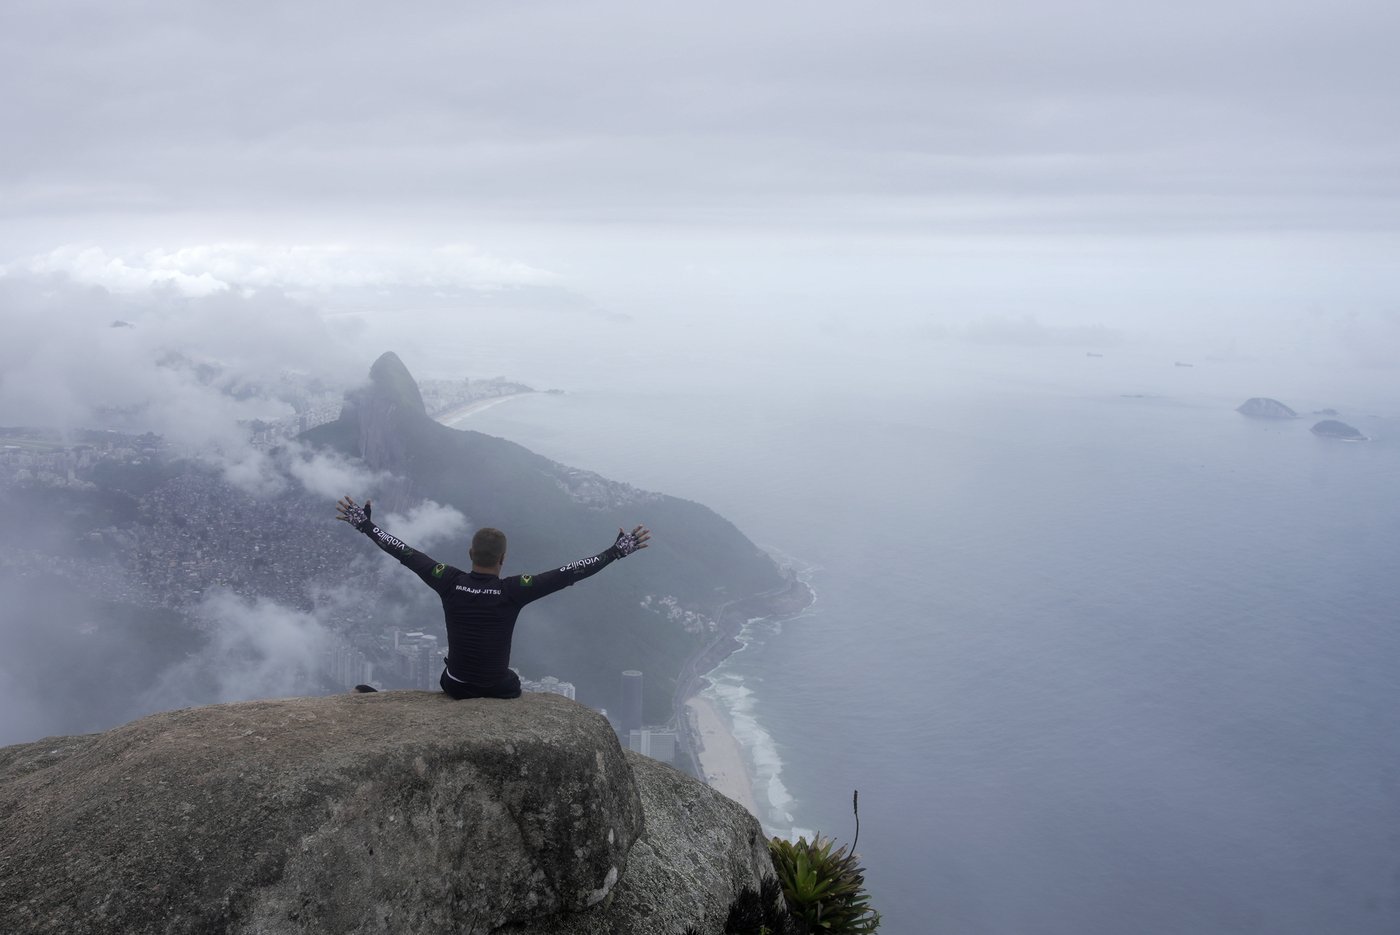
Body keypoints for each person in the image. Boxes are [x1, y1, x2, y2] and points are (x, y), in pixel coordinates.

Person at [335, 495, 649, 699]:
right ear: (503, 559)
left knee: (452, 671)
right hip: (498, 687)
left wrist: (366, 525)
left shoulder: (448, 580)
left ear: (470, 553)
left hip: (455, 685)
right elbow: (569, 572)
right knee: (512, 680)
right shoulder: (513, 590)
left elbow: (403, 551)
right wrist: (614, 553)